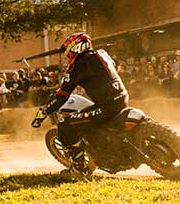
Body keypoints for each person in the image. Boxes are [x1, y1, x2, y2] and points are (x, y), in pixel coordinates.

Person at [34, 32, 129, 179]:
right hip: (122, 98)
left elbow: (63, 94)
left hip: (106, 106)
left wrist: (45, 111)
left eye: (69, 51)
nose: (68, 55)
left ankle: (79, 169)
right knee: (88, 117)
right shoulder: (102, 54)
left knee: (65, 125)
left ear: (76, 48)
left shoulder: (79, 65)